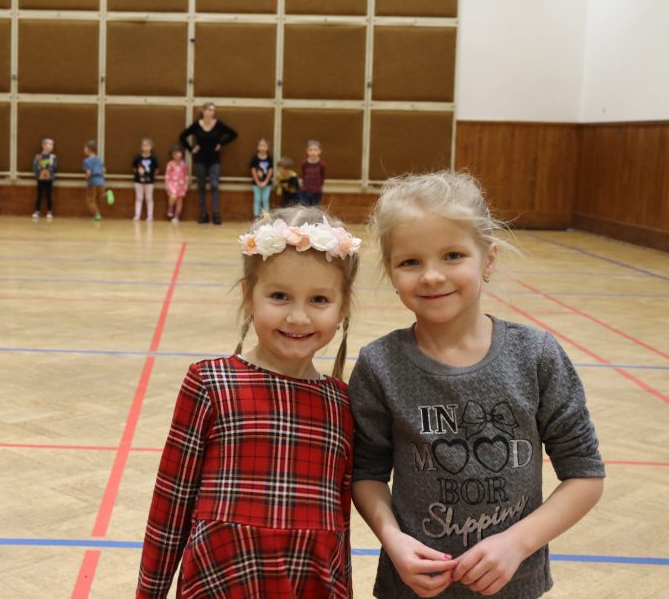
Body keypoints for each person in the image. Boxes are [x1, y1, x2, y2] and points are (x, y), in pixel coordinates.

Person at [350, 171, 605, 598]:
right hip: (411, 587)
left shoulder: (535, 356)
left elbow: (585, 475)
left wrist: (517, 543)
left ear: (488, 259)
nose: (432, 276)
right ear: (391, 272)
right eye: (410, 262)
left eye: (452, 255)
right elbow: (367, 475)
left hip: (514, 586)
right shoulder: (379, 365)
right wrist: (393, 540)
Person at [138, 206, 362, 598]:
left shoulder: (341, 404)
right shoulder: (210, 383)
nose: (297, 317)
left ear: (342, 308)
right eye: (279, 296)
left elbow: (339, 525)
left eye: (319, 299)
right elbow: (171, 504)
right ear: (248, 297)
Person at [178, 102, 237, 225]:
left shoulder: (218, 124)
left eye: (213, 110)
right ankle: (203, 214)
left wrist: (221, 143)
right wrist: (191, 148)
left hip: (214, 160)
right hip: (200, 160)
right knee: (201, 187)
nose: (212, 112)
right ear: (203, 111)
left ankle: (216, 214)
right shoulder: (196, 125)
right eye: (209, 109)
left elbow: (233, 134)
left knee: (214, 185)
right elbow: (182, 136)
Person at [132, 137, 159, 221]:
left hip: (149, 182)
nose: (146, 148)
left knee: (149, 198)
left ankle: (150, 216)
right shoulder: (137, 158)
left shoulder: (153, 158)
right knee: (139, 198)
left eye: (147, 146)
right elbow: (134, 168)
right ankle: (137, 215)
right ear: (141, 147)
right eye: (144, 146)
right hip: (138, 181)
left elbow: (156, 169)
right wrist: (139, 174)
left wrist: (151, 177)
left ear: (151, 147)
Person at [33, 136, 58, 219]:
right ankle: (37, 211)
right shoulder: (38, 157)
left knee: (49, 195)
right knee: (39, 195)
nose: (52, 146)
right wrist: (38, 176)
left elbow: (54, 168)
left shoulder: (53, 157)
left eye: (52, 145)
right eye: (50, 144)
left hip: (49, 180)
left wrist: (51, 176)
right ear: (44, 146)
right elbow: (35, 168)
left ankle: (49, 211)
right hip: (40, 179)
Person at [83, 139, 107, 221]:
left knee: (90, 200)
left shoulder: (87, 161)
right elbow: (103, 170)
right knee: (101, 195)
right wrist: (102, 179)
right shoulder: (99, 159)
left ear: (89, 149)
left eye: (85, 148)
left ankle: (97, 215)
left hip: (92, 181)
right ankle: (107, 194)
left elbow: (89, 172)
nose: (84, 149)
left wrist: (86, 178)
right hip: (101, 181)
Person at [250, 137, 274, 218]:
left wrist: (265, 182)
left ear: (267, 147)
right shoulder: (254, 158)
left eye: (264, 146)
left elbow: (270, 171)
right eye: (260, 145)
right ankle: (256, 216)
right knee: (257, 199)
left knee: (265, 199)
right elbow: (253, 170)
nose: (262, 148)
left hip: (267, 184)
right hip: (256, 184)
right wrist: (258, 182)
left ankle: (266, 216)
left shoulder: (269, 158)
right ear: (258, 147)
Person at [164, 144, 188, 223]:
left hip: (181, 185)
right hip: (172, 183)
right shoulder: (170, 164)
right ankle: (170, 207)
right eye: (175, 153)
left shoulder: (184, 164)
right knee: (173, 196)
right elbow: (167, 174)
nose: (177, 155)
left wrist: (186, 185)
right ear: (172, 155)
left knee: (179, 201)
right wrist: (167, 184)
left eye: (178, 153)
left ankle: (176, 216)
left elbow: (186, 175)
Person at [299, 139, 327, 206]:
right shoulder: (304, 163)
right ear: (307, 151)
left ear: (320, 151)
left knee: (315, 208)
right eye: (310, 150)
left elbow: (322, 177)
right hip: (305, 191)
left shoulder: (322, 165)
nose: (313, 152)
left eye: (315, 150)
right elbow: (303, 175)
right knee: (304, 207)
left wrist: (319, 187)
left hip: (317, 191)